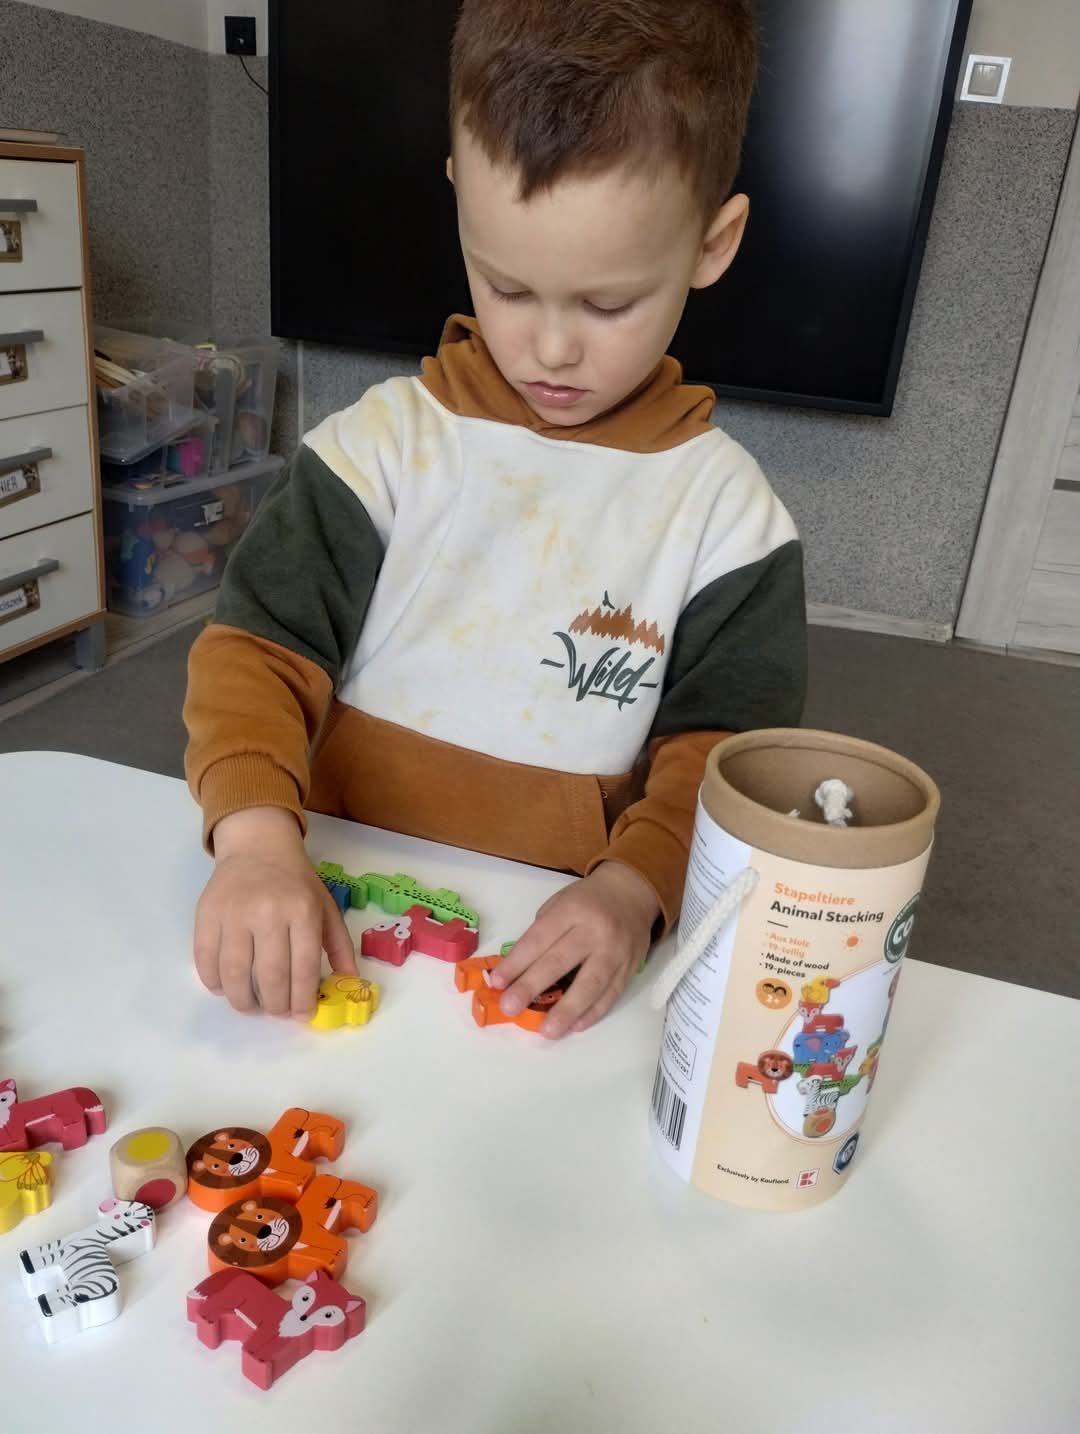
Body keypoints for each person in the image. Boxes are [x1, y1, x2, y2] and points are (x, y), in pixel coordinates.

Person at [183, 0, 806, 1038]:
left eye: (607, 304)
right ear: (460, 201)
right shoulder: (379, 450)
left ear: (713, 242)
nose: (550, 349)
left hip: (546, 945)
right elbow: (254, 653)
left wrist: (635, 889)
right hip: (330, 898)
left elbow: (724, 757)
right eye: (507, 286)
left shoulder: (732, 521)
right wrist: (252, 842)